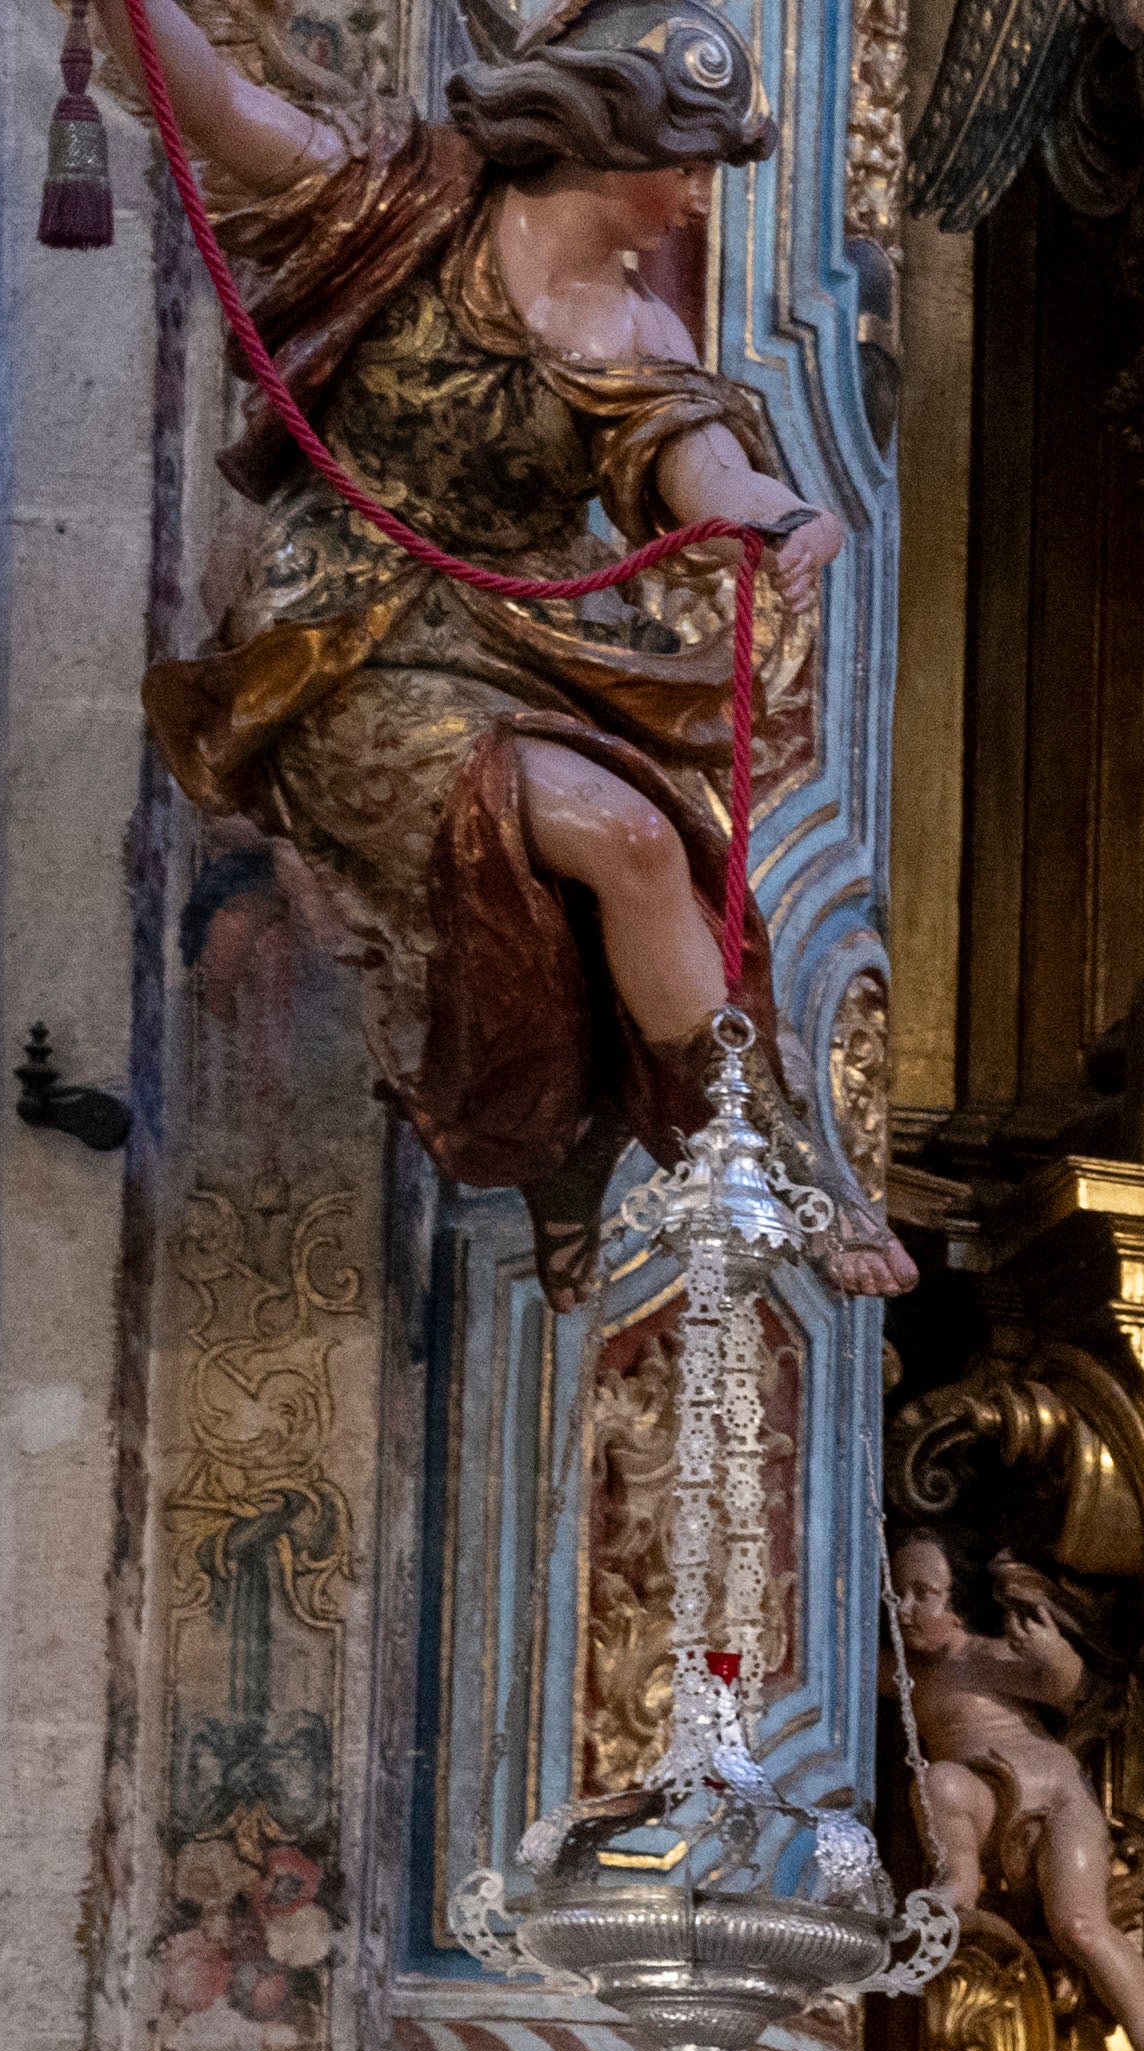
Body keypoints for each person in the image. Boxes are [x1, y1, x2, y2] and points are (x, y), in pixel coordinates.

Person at [118, 0, 860, 1266]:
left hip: (519, 649)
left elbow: (709, 474)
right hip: (339, 646)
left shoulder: (636, 335)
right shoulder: (407, 200)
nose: (694, 198)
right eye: (684, 164)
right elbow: (227, 113)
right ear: (607, 139)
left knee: (648, 845)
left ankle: (750, 1153)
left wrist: (780, 515)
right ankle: (637, 1136)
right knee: (609, 839)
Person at [889, 1535, 1144, 2051]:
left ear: (957, 1606)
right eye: (896, 1594)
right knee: (938, 1783)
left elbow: (1061, 1686)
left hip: (1053, 1799)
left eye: (923, 1594)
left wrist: (1051, 1651)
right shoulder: (904, 1672)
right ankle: (958, 1883)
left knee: (1081, 1925)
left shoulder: (972, 1655)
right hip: (984, 1799)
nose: (905, 1608)